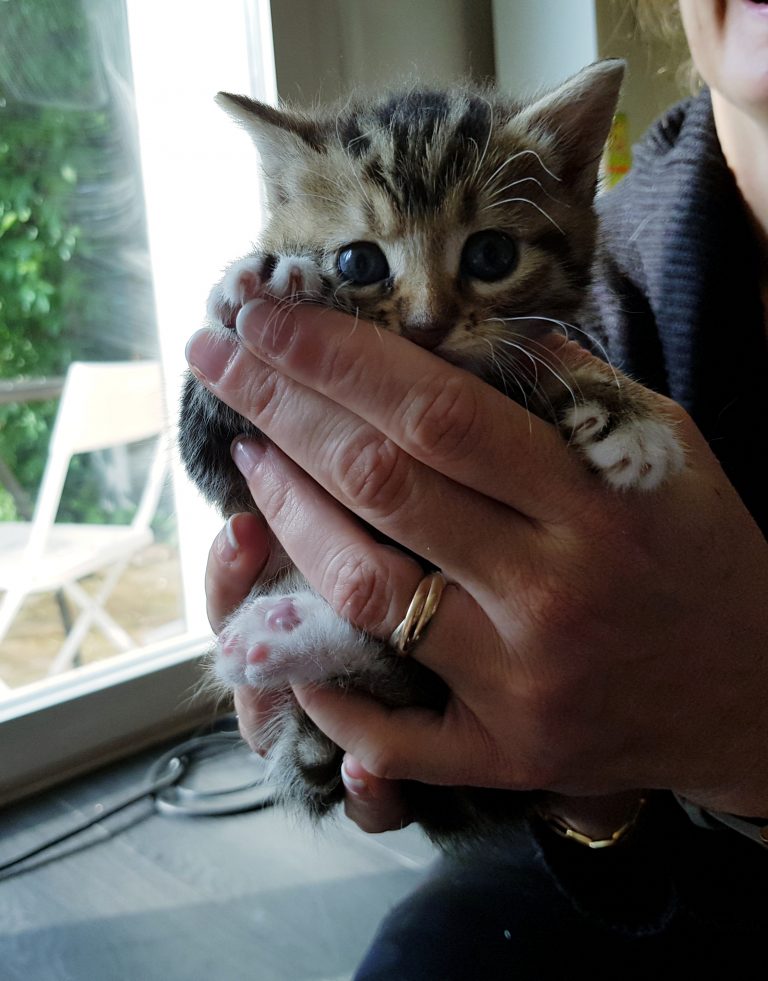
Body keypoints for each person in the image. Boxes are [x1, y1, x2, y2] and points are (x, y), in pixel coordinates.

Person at [186, 0, 768, 973]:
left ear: (573, 176)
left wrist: (748, 725)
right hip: (618, 845)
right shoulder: (619, 257)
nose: (423, 313)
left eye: (486, 259)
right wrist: (589, 792)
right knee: (425, 954)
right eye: (364, 264)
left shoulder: (577, 314)